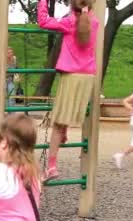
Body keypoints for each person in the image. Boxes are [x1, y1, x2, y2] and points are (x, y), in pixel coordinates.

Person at [37, 0, 99, 181]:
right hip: (87, 76)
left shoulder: (69, 22)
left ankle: (52, 167)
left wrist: (43, 1)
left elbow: (43, 21)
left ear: (73, 5)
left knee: (57, 121)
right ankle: (64, 130)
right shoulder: (94, 22)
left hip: (71, 75)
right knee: (66, 114)